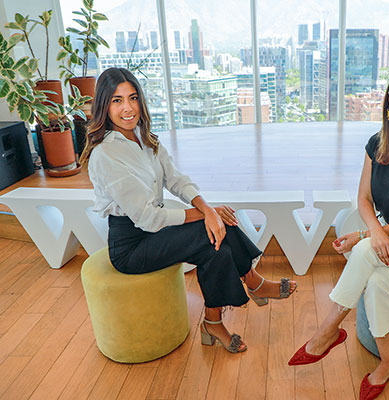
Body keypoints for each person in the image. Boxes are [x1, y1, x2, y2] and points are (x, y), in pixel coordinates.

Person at [81, 67, 297, 354]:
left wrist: (205, 207)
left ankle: (214, 321)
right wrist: (208, 214)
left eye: (132, 98)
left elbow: (175, 179)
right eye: (117, 101)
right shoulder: (105, 155)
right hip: (131, 246)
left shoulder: (144, 138)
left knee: (214, 239)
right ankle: (252, 283)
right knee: (213, 225)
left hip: (152, 232)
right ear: (104, 105)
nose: (128, 108)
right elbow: (149, 218)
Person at [288, 63, 389, 400]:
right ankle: (387, 363)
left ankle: (326, 331)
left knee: (364, 253)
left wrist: (368, 236)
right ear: (387, 101)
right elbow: (363, 198)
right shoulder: (377, 143)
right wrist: (374, 231)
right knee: (376, 282)